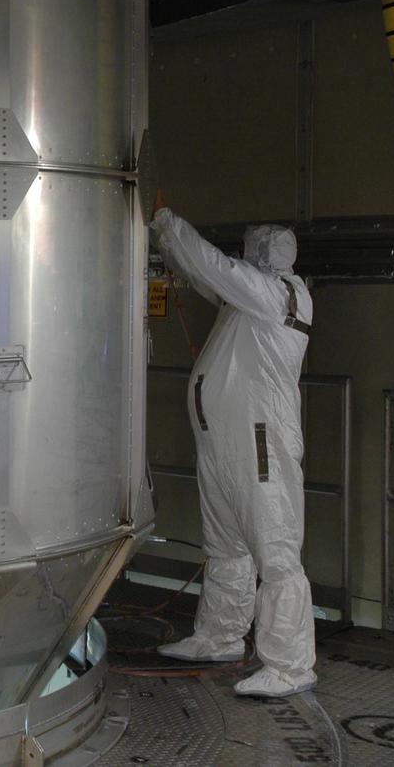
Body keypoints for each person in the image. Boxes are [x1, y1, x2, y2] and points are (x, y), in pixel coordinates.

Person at [150, 199, 316, 698]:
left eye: (253, 250)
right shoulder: (249, 299)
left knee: (276, 548)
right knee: (225, 545)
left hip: (260, 442)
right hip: (223, 443)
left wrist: (169, 225)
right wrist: (168, 245)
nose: (246, 255)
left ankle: (289, 664)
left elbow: (217, 269)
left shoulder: (280, 294)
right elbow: (209, 276)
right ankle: (220, 636)